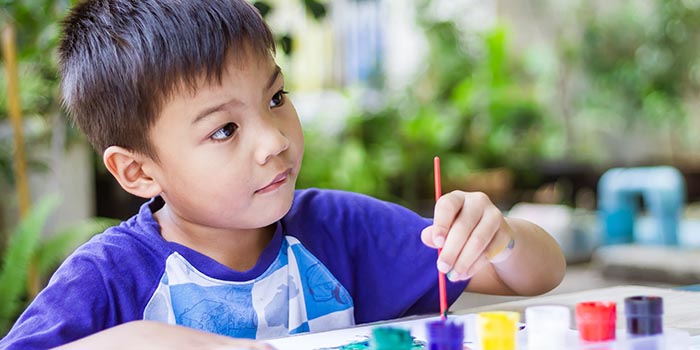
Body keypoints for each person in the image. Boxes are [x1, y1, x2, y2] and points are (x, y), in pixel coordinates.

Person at [0, 0, 566, 349]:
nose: (274, 141)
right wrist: (135, 341)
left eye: (276, 97)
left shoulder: (343, 231)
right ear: (139, 171)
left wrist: (502, 238)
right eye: (224, 130)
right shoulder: (109, 277)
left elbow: (534, 277)